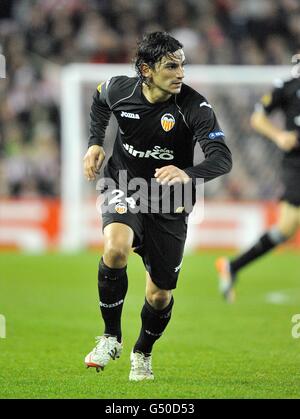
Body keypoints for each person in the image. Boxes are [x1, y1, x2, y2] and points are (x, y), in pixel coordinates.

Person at [83, 31, 232, 381]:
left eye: (182, 65)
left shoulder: (195, 107)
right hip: (124, 184)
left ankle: (142, 353)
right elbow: (99, 99)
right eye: (171, 66)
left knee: (160, 294)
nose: (181, 73)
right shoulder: (120, 89)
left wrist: (187, 172)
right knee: (115, 249)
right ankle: (109, 337)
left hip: (170, 202)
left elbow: (222, 159)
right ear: (146, 70)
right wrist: (94, 143)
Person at [216, 74, 300, 303]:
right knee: (289, 224)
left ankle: (232, 266)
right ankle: (232, 266)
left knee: (286, 228)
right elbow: (257, 118)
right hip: (297, 163)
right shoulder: (289, 86)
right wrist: (280, 135)